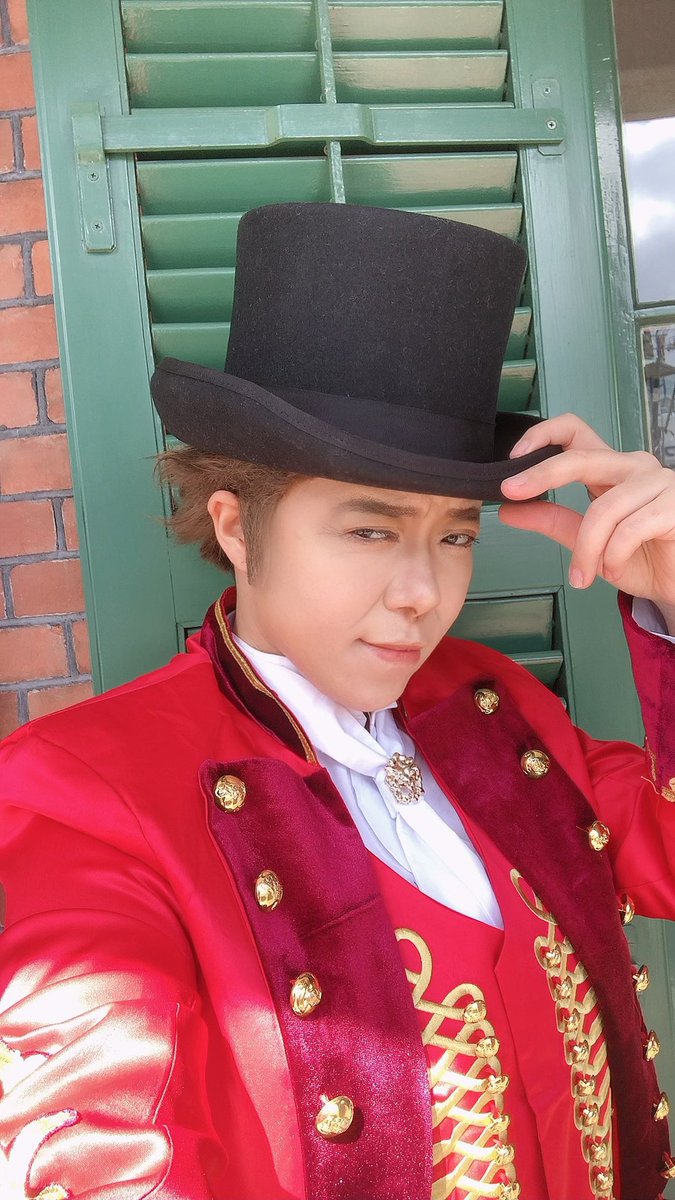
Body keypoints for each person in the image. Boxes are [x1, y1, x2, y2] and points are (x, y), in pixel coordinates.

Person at [1, 202, 675, 1200]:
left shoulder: (496, 708)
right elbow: (93, 1143)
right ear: (236, 526)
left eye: (455, 535)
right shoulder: (84, 791)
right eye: (369, 531)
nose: (423, 592)